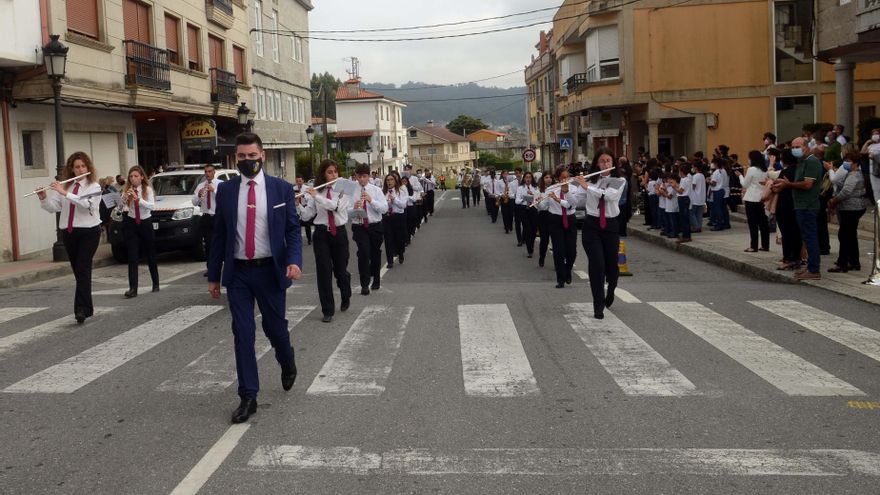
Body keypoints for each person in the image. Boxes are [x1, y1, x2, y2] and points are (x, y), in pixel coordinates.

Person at [208, 132, 301, 424]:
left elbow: (292, 230)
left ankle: (287, 360)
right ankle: (248, 395)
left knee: (276, 330)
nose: (247, 161)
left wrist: (294, 261)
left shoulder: (280, 189)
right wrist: (214, 275)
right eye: (242, 156)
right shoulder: (225, 191)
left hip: (269, 271)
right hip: (239, 273)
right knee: (243, 333)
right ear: (236, 158)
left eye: (252, 155)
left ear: (262, 155)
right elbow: (219, 235)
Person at [37, 151, 102, 324]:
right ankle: (87, 308)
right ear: (71, 169)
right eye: (76, 167)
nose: (80, 170)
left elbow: (86, 204)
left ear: (87, 167)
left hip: (89, 232)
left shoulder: (93, 186)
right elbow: (54, 208)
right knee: (79, 272)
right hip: (70, 233)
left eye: (83, 166)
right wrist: (44, 199)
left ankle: (80, 310)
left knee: (82, 268)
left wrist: (64, 193)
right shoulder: (66, 186)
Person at [574, 148, 621, 319]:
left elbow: (609, 197)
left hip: (610, 226)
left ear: (613, 163)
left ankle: (611, 291)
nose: (605, 164)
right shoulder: (590, 180)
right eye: (602, 161)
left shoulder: (618, 180)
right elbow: (578, 201)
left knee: (612, 269)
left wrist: (587, 187)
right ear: (596, 163)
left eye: (608, 160)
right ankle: (598, 305)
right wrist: (563, 194)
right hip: (592, 226)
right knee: (597, 265)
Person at [306, 159, 353, 323]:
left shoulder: (344, 187)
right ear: (323, 174)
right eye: (330, 172)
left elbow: (336, 206)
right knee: (324, 272)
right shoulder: (317, 191)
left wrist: (316, 197)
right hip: (321, 234)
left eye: (335, 171)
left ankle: (345, 292)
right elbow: (307, 215)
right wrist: (298, 205)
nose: (334, 175)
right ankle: (328, 310)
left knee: (340, 271)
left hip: (338, 233)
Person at [774, 137, 823, 280]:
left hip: (808, 205)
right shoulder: (802, 162)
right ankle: (810, 268)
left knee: (810, 237)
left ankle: (814, 269)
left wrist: (788, 185)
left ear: (806, 147)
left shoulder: (812, 161)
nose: (794, 149)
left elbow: (808, 184)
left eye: (797, 146)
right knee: (806, 238)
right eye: (793, 147)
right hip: (800, 205)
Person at [349, 164, 388, 295]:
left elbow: (384, 209)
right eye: (359, 177)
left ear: (369, 176)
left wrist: (371, 201)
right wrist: (354, 208)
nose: (361, 179)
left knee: (375, 253)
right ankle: (364, 284)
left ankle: (376, 279)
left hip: (375, 225)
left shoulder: (376, 190)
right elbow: (345, 212)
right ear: (356, 176)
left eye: (364, 176)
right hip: (359, 226)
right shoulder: (351, 191)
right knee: (364, 253)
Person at [828, 152, 869, 273]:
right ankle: (854, 261)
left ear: (855, 162)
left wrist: (834, 200)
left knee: (844, 235)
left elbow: (846, 191)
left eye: (848, 161)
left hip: (850, 208)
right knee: (850, 235)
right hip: (856, 207)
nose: (845, 163)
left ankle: (842, 263)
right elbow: (845, 184)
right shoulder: (855, 174)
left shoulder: (854, 175)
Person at [121, 165, 159, 298]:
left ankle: (155, 283)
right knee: (132, 256)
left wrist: (139, 200)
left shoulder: (147, 189)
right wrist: (124, 199)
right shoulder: (127, 189)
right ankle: (133, 288)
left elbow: (152, 206)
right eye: (131, 176)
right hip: (132, 223)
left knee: (150, 254)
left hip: (145, 222)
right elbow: (121, 207)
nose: (133, 179)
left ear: (142, 177)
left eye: (136, 176)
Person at [540, 165, 579, 288]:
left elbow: (571, 205)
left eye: (567, 177)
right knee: (559, 251)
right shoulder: (551, 189)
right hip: (555, 220)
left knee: (572, 251)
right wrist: (539, 200)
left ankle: (568, 271)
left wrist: (560, 197)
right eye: (563, 178)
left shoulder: (573, 188)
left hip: (570, 219)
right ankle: (560, 279)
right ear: (557, 178)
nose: (565, 180)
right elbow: (543, 207)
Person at [771, 150, 802, 270]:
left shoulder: (785, 172)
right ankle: (797, 259)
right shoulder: (800, 171)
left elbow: (776, 188)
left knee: (787, 234)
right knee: (797, 233)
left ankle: (788, 259)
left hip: (784, 205)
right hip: (797, 204)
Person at [192, 164, 223, 275]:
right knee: (208, 244)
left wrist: (214, 191)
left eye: (210, 171)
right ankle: (210, 268)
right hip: (206, 216)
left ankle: (219, 267)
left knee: (219, 243)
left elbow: (224, 199)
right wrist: (199, 195)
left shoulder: (220, 184)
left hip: (217, 217)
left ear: (214, 172)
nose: (207, 174)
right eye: (205, 172)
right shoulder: (201, 185)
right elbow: (194, 202)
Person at [740, 150, 770, 252]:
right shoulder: (765, 169)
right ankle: (765, 245)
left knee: (753, 223)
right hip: (762, 198)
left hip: (751, 198)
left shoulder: (751, 169)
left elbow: (745, 184)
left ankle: (754, 246)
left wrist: (740, 176)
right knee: (763, 223)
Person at [382, 173, 408, 268]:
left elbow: (403, 205)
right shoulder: (383, 192)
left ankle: (400, 253)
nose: (389, 182)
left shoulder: (400, 191)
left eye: (391, 180)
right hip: (387, 217)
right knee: (388, 239)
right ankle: (390, 261)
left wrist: (394, 200)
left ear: (395, 181)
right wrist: (387, 203)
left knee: (399, 239)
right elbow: (382, 206)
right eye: (388, 180)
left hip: (398, 217)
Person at [516, 171, 539, 258]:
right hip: (524, 209)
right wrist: (524, 198)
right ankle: (530, 250)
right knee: (527, 229)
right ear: (524, 178)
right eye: (526, 177)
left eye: (529, 177)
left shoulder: (535, 187)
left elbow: (539, 198)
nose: (528, 179)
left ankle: (531, 245)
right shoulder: (520, 188)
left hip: (533, 209)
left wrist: (533, 195)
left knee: (533, 230)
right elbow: (517, 201)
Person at [536, 171, 554, 267]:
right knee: (544, 239)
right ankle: (542, 257)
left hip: (554, 215)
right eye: (546, 177)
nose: (549, 179)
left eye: (550, 177)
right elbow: (540, 207)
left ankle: (557, 262)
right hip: (543, 215)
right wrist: (539, 202)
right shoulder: (539, 191)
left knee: (556, 240)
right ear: (543, 179)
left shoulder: (556, 189)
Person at [670, 164, 692, 243]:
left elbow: (680, 191)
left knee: (684, 218)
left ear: (682, 172)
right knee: (684, 218)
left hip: (683, 198)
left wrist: (674, 186)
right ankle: (686, 235)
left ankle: (686, 236)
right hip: (685, 198)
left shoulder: (685, 179)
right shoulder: (687, 179)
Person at [860, 128, 880, 201]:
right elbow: (862, 152)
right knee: (875, 190)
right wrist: (868, 142)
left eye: (877, 133)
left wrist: (875, 157)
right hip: (873, 171)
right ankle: (878, 208)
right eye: (873, 134)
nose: (875, 135)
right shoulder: (871, 146)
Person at [293, 176, 313, 245]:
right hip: (297, 207)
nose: (298, 183)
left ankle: (309, 239)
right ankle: (298, 240)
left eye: (300, 181)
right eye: (297, 181)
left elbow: (309, 198)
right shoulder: (294, 188)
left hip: (305, 206)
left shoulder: (306, 188)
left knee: (307, 224)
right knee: (297, 224)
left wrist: (302, 195)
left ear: (303, 181)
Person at [689, 161, 706, 233]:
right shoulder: (702, 175)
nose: (692, 168)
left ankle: (696, 227)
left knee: (691, 213)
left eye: (692, 167)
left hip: (695, 198)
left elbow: (693, 186)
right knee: (699, 214)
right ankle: (699, 227)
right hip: (701, 198)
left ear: (695, 168)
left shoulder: (695, 176)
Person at [499, 170, 515, 234]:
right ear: (502, 175)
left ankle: (510, 225)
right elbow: (497, 191)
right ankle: (506, 228)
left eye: (507, 174)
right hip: (503, 199)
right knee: (505, 214)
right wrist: (501, 194)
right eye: (504, 174)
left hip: (510, 199)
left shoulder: (511, 182)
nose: (506, 175)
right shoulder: (499, 182)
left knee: (511, 214)